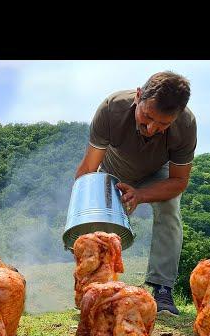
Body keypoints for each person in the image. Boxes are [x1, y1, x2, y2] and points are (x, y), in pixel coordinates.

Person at [74, 71, 197, 316]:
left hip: (158, 173)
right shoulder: (112, 109)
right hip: (114, 168)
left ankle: (162, 289)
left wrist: (140, 194)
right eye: (147, 117)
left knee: (169, 208)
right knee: (98, 221)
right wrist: (79, 213)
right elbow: (89, 168)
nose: (151, 128)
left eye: (163, 124)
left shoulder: (186, 125)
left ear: (177, 116)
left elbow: (179, 181)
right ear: (138, 96)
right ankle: (93, 287)